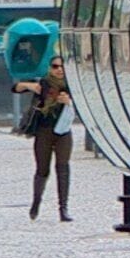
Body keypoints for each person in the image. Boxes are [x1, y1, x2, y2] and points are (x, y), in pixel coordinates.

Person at [20, 61, 77, 221]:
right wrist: (29, 87)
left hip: (63, 131)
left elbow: (82, 107)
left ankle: (63, 209)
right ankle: (36, 202)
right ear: (50, 69)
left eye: (62, 66)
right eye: (55, 66)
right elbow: (17, 88)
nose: (59, 69)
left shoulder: (72, 84)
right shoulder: (43, 84)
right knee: (42, 170)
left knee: (63, 168)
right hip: (44, 131)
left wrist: (70, 102)